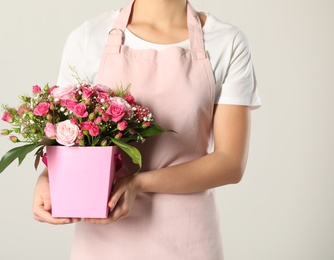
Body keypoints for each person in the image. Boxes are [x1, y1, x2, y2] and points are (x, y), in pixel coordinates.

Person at [33, 0, 261, 259]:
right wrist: (47, 178)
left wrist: (138, 183)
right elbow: (70, 136)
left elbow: (230, 162)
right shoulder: (88, 37)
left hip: (187, 239)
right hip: (104, 239)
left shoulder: (226, 42)